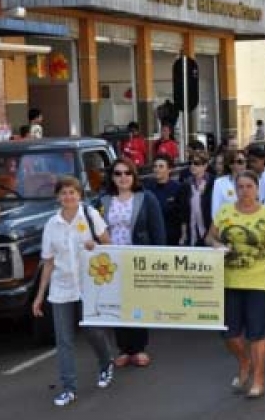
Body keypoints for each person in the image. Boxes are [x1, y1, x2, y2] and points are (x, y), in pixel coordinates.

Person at [206, 170, 265, 399]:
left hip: (259, 283)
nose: (244, 191)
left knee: (256, 333)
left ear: (257, 188)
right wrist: (215, 244)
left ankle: (258, 380)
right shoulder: (224, 212)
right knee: (230, 335)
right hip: (230, 281)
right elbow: (209, 236)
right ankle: (244, 362)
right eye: (240, 186)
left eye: (249, 186)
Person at [32, 176, 113, 406]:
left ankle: (106, 363)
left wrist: (95, 248)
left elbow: (109, 245)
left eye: (72, 192)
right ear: (58, 196)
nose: (68, 197)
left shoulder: (90, 216)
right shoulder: (51, 224)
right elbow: (47, 262)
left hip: (89, 285)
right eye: (64, 193)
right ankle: (69, 388)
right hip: (61, 288)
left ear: (80, 195)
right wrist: (39, 296)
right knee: (64, 340)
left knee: (93, 332)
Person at [100, 158, 166, 367]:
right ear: (112, 177)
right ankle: (123, 349)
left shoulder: (146, 198)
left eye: (127, 173)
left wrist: (158, 259)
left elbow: (158, 232)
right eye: (118, 173)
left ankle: (138, 348)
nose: (123, 177)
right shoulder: (103, 201)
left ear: (134, 176)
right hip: (111, 261)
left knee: (137, 303)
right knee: (118, 304)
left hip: (139, 259)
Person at [144, 154, 182, 246]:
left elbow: (182, 215)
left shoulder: (178, 188)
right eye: (155, 166)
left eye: (161, 166)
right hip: (152, 237)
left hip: (172, 238)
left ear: (169, 169)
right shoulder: (147, 188)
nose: (157, 169)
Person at [176, 151, 213, 247]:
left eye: (196, 163)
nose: (192, 166)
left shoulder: (213, 183)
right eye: (190, 163)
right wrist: (183, 235)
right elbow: (183, 212)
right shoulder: (186, 185)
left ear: (205, 166)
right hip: (191, 231)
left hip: (209, 230)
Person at [211, 150, 248, 220]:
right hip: (227, 225)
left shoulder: (251, 181)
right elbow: (215, 210)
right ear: (231, 165)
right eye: (240, 162)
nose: (243, 164)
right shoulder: (219, 183)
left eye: (244, 161)